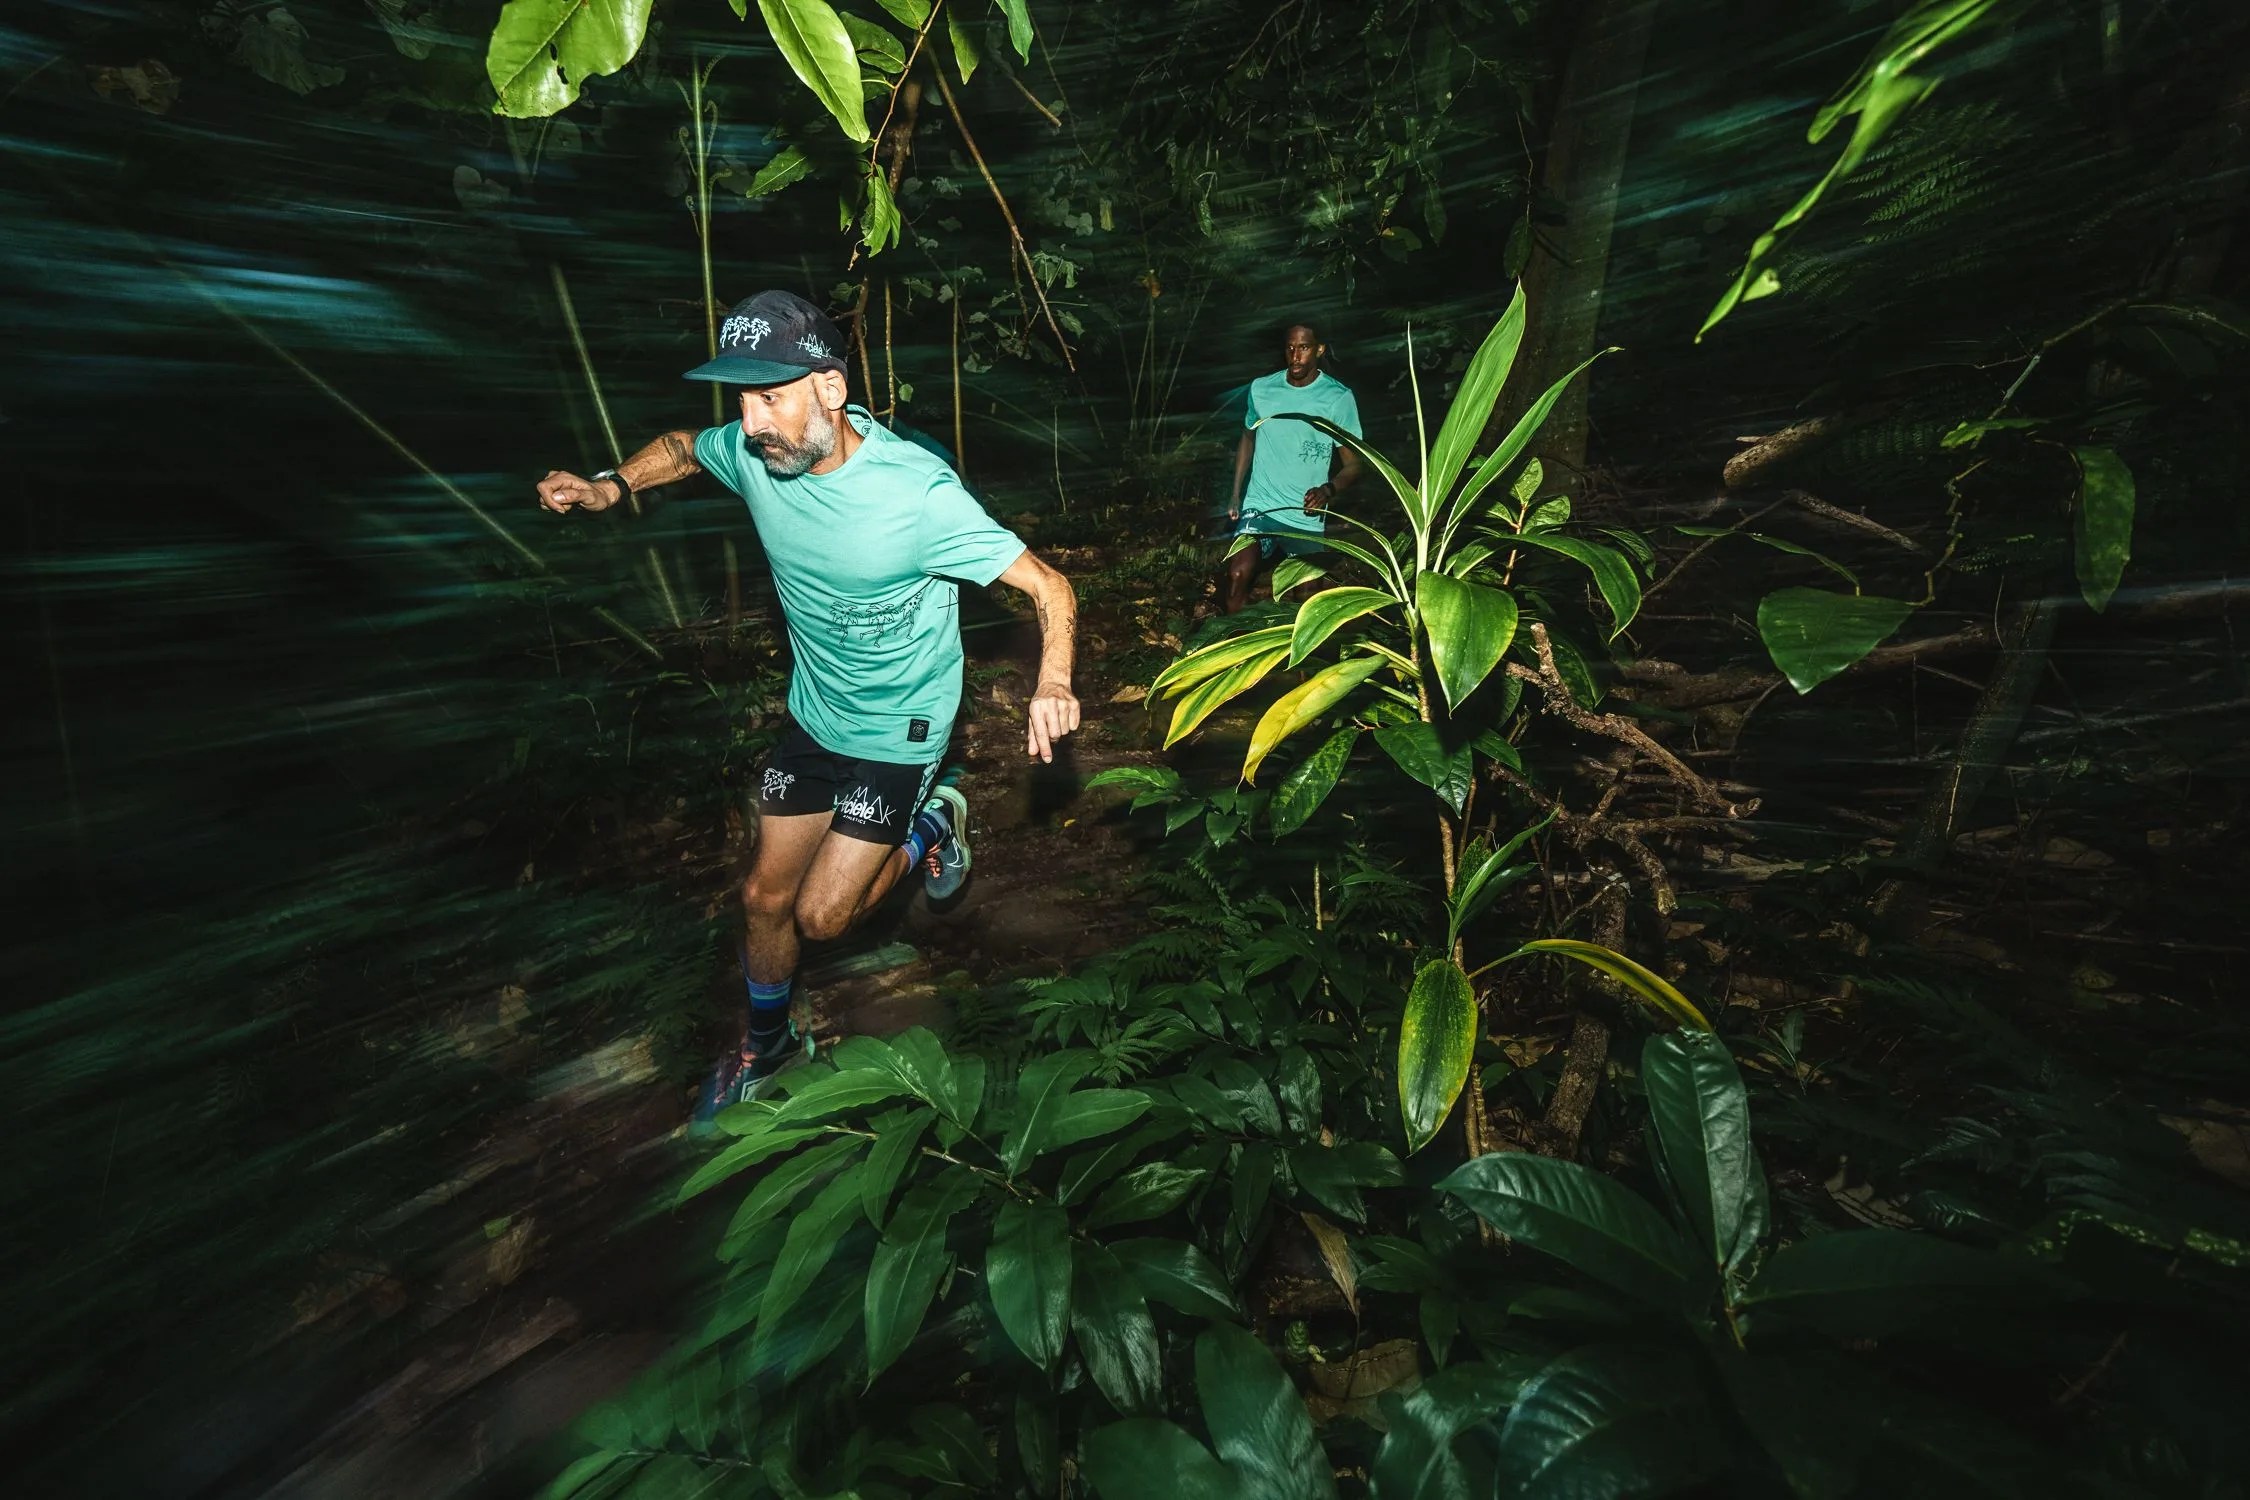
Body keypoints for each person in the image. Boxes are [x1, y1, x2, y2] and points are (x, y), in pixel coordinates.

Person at [535, 290, 1081, 1118]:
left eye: (771, 397)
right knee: (762, 898)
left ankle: (937, 819)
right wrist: (613, 484)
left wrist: (1052, 682)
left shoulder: (918, 495)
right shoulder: (757, 453)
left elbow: (1049, 585)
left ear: (830, 388)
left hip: (902, 728)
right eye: (744, 399)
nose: (752, 423)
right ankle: (770, 1043)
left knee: (825, 919)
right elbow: (686, 447)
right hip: (816, 715)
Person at [1221, 322, 1363, 614]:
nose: (1295, 356)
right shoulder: (1261, 389)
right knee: (1236, 575)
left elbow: (1354, 464)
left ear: (1319, 349)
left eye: (1304, 348)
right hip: (1261, 504)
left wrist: (1328, 490)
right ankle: (1238, 650)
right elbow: (1248, 436)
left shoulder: (1337, 397)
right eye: (1290, 348)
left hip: (1304, 512)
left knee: (1307, 597)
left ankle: (1302, 658)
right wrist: (1236, 493)